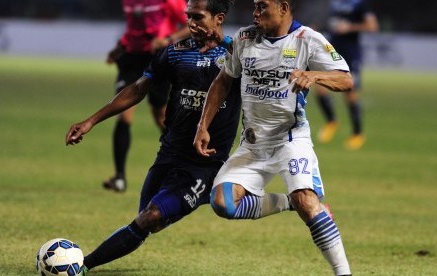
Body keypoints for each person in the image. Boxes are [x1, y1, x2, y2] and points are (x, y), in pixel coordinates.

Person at [64, 0, 266, 273]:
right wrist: (91, 121)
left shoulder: (238, 53)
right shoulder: (174, 53)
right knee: (147, 221)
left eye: (198, 17)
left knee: (150, 217)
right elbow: (138, 89)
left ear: (219, 18)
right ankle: (208, 194)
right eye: (188, 17)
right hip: (169, 153)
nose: (191, 24)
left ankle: (80, 266)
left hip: (204, 162)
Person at [193, 0, 353, 275]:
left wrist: (314, 75)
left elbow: (346, 80)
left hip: (290, 140)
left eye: (261, 7)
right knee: (223, 203)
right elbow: (223, 80)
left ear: (283, 7)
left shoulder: (308, 40)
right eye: (254, 7)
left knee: (306, 201)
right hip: (253, 144)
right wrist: (202, 125)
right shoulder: (245, 38)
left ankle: (343, 272)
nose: (255, 13)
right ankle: (288, 202)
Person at [103, 0, 190, 192]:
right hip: (131, 60)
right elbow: (134, 30)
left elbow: (190, 25)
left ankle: (186, 163)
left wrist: (168, 39)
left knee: (161, 116)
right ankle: (119, 177)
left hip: (157, 58)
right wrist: (120, 46)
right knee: (123, 111)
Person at [314, 0, 379, 150]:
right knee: (320, 86)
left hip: (350, 54)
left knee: (350, 94)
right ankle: (331, 122)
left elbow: (372, 26)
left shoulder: (359, 4)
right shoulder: (334, 3)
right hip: (332, 53)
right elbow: (329, 23)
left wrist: (350, 27)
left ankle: (357, 134)